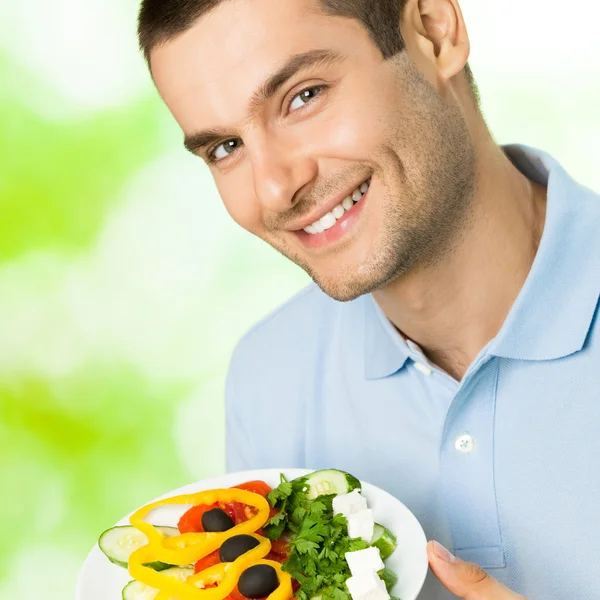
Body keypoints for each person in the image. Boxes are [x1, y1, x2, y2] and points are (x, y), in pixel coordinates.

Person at [136, 0, 600, 597]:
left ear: (434, 34)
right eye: (225, 147)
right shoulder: (269, 380)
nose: (275, 188)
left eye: (303, 96)